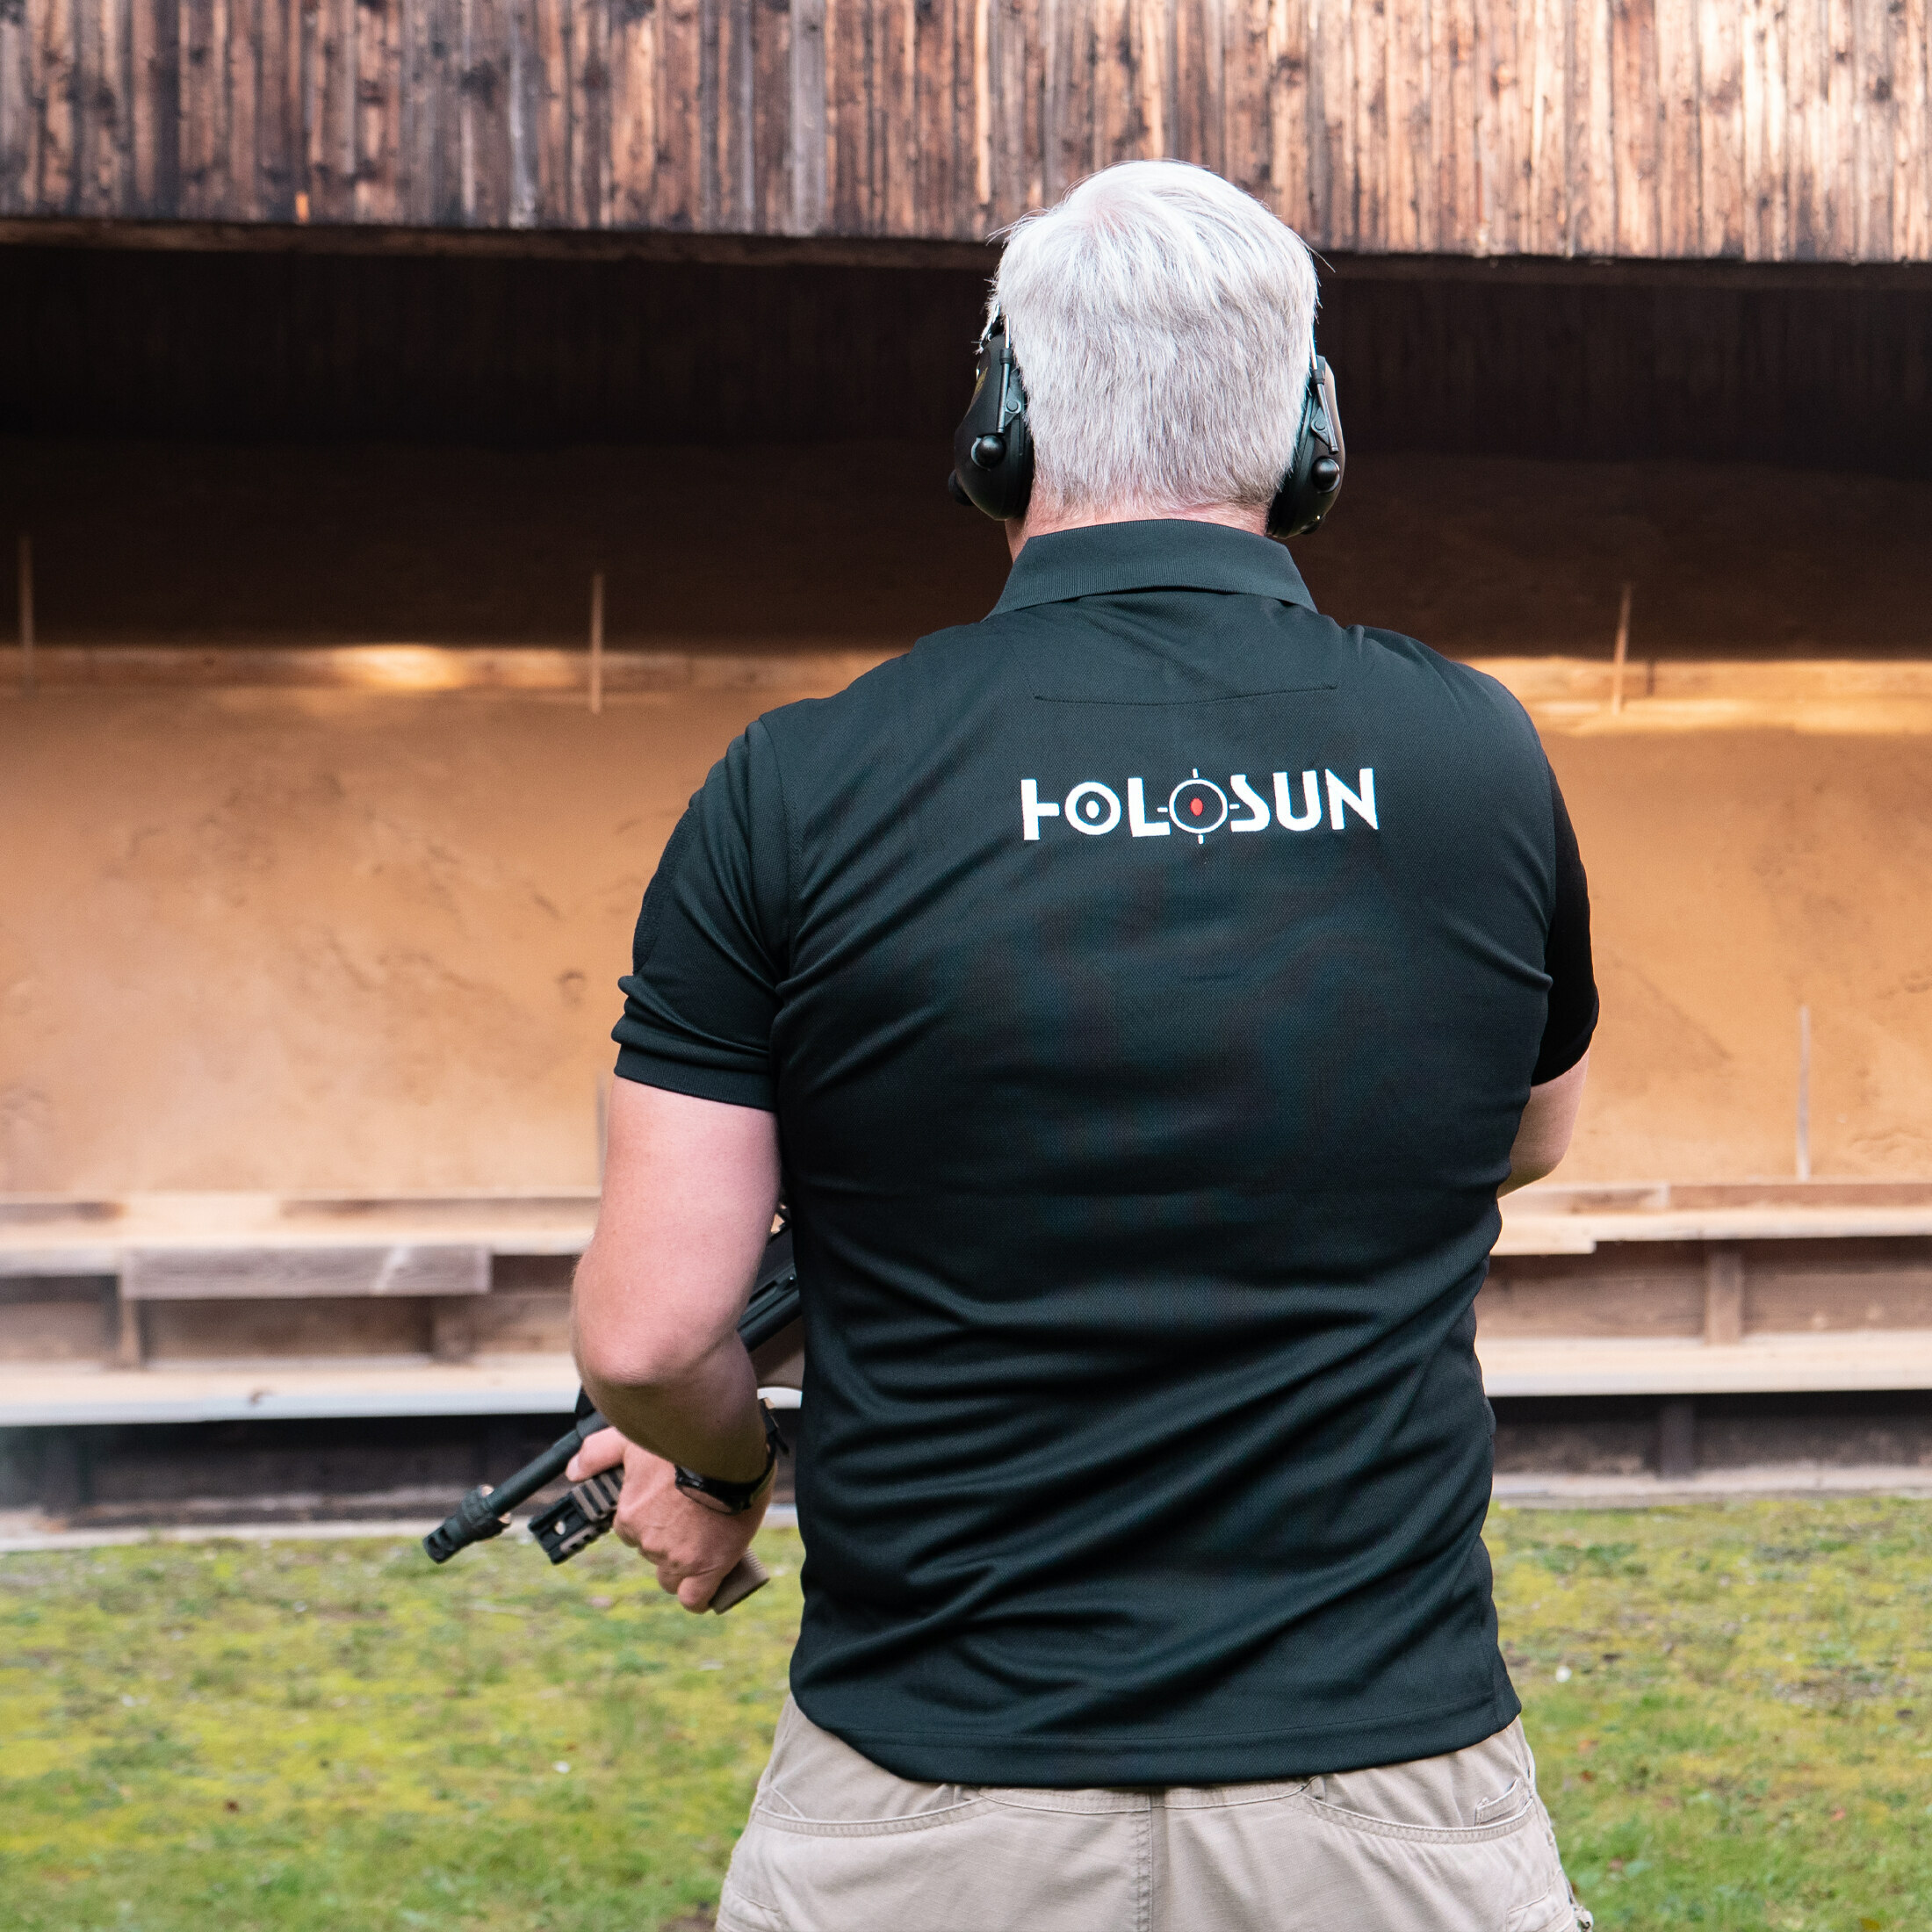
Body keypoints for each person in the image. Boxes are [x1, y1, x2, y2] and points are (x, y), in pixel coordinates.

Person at [567, 159, 1597, 1932]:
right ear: (1306, 430)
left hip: (932, 1792)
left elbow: (655, 1329)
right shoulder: (1475, 754)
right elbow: (1519, 1130)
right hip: (1383, 1789)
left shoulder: (795, 784)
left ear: (1000, 418)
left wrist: (726, 1465)